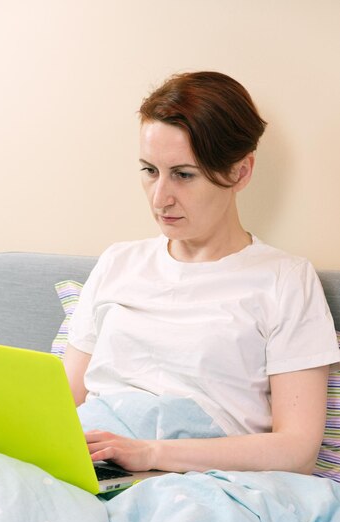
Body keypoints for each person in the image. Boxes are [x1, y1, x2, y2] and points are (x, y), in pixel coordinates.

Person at [63, 71, 339, 477]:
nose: (160, 198)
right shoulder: (117, 263)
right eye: (149, 170)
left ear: (240, 172)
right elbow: (64, 403)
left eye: (183, 174)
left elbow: (296, 451)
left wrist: (152, 454)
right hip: (92, 467)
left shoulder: (285, 280)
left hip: (195, 482)